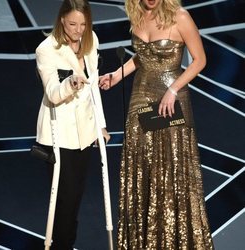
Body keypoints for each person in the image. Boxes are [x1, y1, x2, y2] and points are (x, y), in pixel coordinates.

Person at [99, 0, 214, 249]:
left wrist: (173, 89)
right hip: (140, 97)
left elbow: (199, 60)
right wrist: (116, 76)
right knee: (142, 167)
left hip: (171, 101)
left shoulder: (180, 17)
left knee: (172, 166)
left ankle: (175, 240)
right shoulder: (137, 16)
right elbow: (142, 57)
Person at [35, 0, 110, 249]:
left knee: (75, 198)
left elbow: (94, 89)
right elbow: (53, 94)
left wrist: (101, 125)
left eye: (84, 25)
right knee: (64, 201)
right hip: (61, 136)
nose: (78, 30)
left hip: (85, 134)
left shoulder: (91, 41)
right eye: (72, 24)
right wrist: (71, 84)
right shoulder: (47, 49)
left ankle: (65, 243)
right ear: (61, 21)